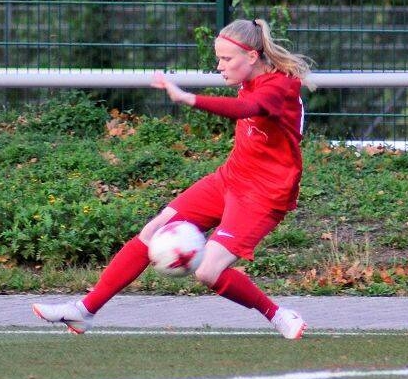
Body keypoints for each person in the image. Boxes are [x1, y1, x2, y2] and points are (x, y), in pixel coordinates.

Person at [32, 18, 315, 339]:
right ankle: (84, 311)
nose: (219, 66)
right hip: (230, 178)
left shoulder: (279, 87)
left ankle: (278, 315)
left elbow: (247, 108)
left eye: (226, 59)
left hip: (264, 195)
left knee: (208, 271)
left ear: (252, 56)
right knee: (152, 231)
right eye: (218, 58)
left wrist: (188, 98)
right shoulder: (250, 77)